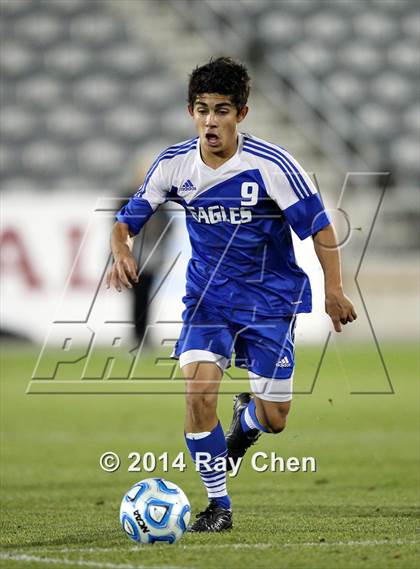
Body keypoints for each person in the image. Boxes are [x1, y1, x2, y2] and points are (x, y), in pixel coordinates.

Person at [107, 57, 357, 533]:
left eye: (221, 110)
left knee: (276, 418)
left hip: (270, 301)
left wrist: (334, 290)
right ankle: (218, 505)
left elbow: (320, 227)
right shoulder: (174, 164)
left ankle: (247, 423)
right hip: (208, 300)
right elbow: (126, 220)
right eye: (202, 110)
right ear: (190, 110)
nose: (210, 121)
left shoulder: (272, 166)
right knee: (198, 391)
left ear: (241, 114)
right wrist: (120, 246)